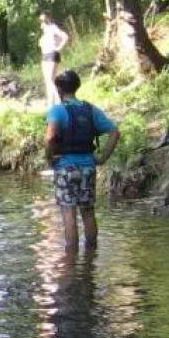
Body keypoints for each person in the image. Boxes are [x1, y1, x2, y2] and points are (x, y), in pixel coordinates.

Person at [45, 69, 119, 249]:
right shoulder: (91, 110)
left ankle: (72, 260)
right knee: (87, 212)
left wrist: (50, 159)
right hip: (88, 167)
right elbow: (115, 133)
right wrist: (102, 158)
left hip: (64, 167)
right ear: (77, 87)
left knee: (68, 213)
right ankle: (90, 257)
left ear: (59, 89)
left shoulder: (57, 110)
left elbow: (50, 138)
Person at [38, 13, 71, 110]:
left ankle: (59, 101)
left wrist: (59, 47)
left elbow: (65, 36)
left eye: (44, 20)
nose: (42, 23)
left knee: (51, 79)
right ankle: (50, 104)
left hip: (52, 54)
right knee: (47, 81)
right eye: (41, 21)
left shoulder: (53, 28)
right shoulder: (44, 34)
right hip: (45, 56)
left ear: (47, 20)